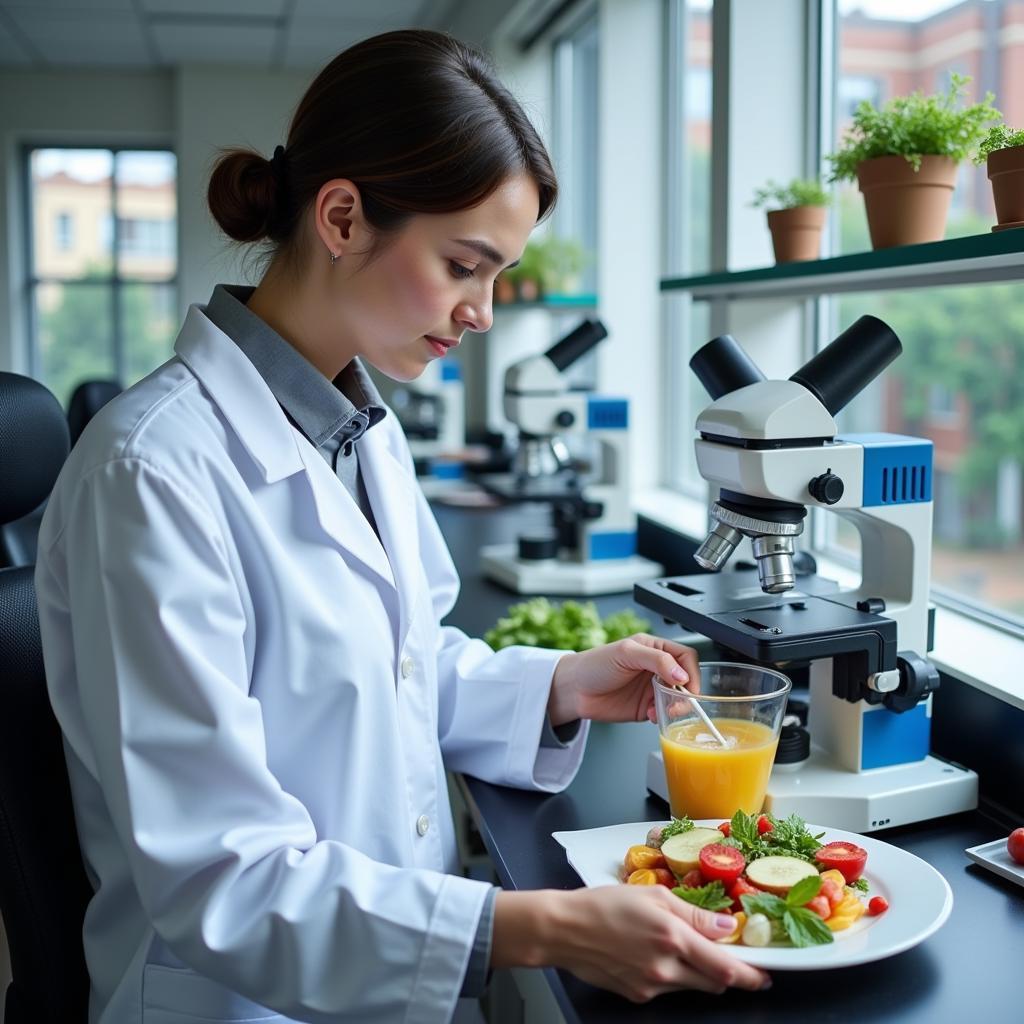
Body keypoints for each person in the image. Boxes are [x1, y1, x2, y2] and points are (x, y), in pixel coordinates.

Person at [35, 28, 770, 1024]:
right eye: (466, 264)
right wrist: (540, 925)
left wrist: (556, 685)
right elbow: (223, 879)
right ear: (341, 216)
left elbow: (400, 667)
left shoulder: (357, 424)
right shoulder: (151, 471)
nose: (482, 311)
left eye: (497, 273)